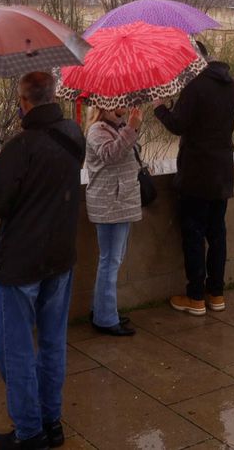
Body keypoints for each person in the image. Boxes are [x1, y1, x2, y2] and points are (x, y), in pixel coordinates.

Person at [0, 71, 85, 450]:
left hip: (22, 261)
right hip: (60, 257)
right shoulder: (73, 135)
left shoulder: (21, 147)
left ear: (24, 103)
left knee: (14, 351)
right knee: (53, 342)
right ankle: (50, 421)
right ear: (53, 96)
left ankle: (29, 432)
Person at [154, 42, 234, 316]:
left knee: (193, 234)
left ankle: (195, 297)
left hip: (196, 173)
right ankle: (216, 294)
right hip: (222, 172)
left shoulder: (196, 87)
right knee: (217, 234)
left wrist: (160, 108)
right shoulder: (231, 86)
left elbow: (178, 125)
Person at [84, 101, 144, 336]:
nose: (123, 105)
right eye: (118, 102)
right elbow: (110, 155)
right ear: (104, 105)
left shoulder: (116, 127)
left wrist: (131, 126)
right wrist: (131, 127)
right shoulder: (97, 130)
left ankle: (102, 310)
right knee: (110, 261)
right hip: (110, 204)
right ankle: (105, 319)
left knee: (112, 259)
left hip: (120, 201)